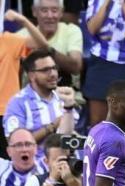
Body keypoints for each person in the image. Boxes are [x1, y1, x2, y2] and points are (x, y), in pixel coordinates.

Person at [1, 9, 49, 158]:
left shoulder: (9, 40)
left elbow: (43, 47)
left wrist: (23, 21)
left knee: (11, 161)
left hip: (7, 112)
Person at [3, 49, 76, 146]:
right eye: (46, 70)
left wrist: (69, 108)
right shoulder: (18, 103)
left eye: (54, 68)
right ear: (31, 75)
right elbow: (16, 144)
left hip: (64, 159)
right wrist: (52, 127)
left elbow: (71, 137)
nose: (53, 74)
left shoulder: (63, 97)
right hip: (35, 160)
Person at [17, 0, 83, 87]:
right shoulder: (21, 36)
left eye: (54, 10)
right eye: (44, 10)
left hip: (65, 91)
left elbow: (76, 67)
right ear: (34, 11)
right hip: (30, 94)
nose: (50, 16)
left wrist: (46, 49)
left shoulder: (71, 31)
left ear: (61, 12)